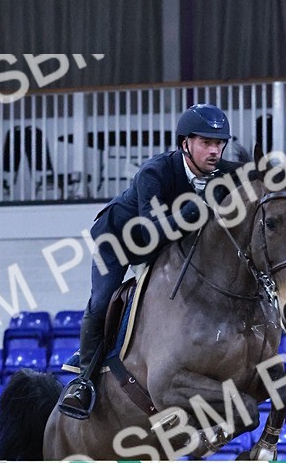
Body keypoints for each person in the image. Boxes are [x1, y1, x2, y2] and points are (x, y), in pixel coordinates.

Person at [58, 103, 235, 419]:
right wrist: (197, 208)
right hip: (120, 241)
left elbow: (259, 179)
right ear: (185, 144)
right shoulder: (154, 173)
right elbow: (150, 229)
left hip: (165, 246)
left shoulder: (222, 170)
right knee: (101, 302)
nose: (215, 150)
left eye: (219, 143)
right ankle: (83, 382)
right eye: (206, 142)